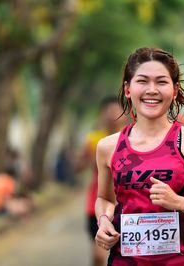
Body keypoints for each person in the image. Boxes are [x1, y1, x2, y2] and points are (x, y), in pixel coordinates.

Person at [95, 47, 184, 265]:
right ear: (128, 89)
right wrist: (104, 220)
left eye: (161, 82)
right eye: (143, 81)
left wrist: (182, 203)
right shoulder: (108, 146)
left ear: (174, 90)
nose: (152, 90)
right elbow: (104, 199)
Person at [76, 96, 126, 266]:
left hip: (126, 204)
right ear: (102, 113)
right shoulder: (94, 139)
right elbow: (78, 166)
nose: (113, 114)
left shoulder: (133, 137)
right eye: (109, 110)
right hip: (97, 204)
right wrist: (91, 160)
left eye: (116, 110)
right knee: (98, 255)